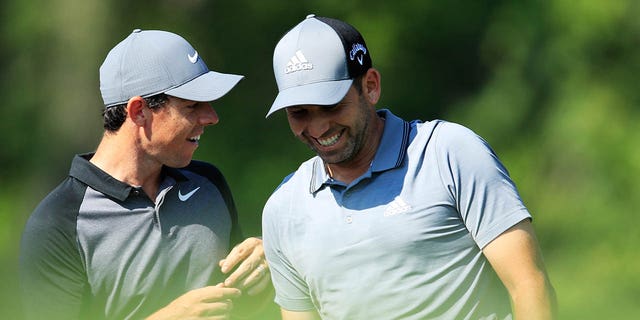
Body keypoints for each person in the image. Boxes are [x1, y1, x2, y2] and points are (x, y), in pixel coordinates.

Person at [262, 14, 557, 320]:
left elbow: (529, 286)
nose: (319, 126)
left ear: (371, 86)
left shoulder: (450, 153)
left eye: (331, 105)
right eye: (299, 113)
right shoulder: (283, 209)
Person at [19, 29, 272, 320]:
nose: (212, 117)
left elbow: (240, 308)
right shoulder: (58, 223)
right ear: (138, 111)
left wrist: (262, 272)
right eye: (192, 105)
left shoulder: (209, 184)